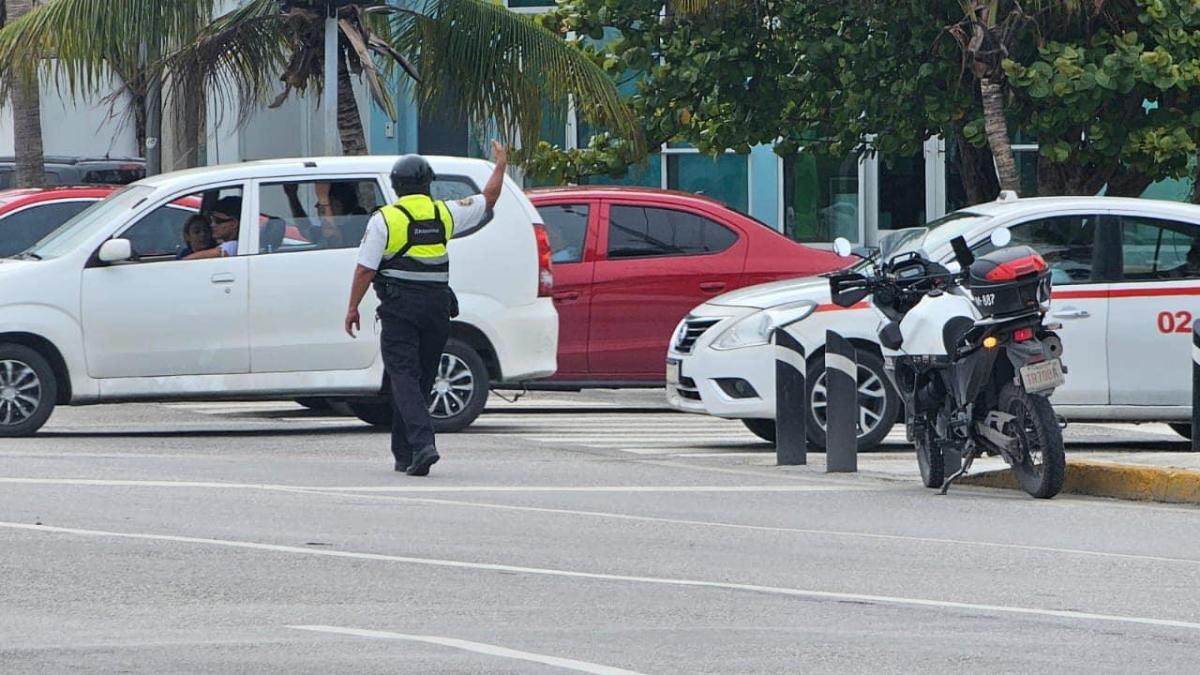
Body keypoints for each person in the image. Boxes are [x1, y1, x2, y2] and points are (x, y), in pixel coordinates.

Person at [345, 141, 507, 476]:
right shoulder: (444, 213)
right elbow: (489, 199)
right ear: (428, 183)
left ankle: (422, 444)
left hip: (400, 308)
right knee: (420, 378)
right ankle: (404, 454)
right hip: (436, 308)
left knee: (402, 376)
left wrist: (352, 308)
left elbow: (365, 270)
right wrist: (501, 165)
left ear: (395, 185)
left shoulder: (385, 220)